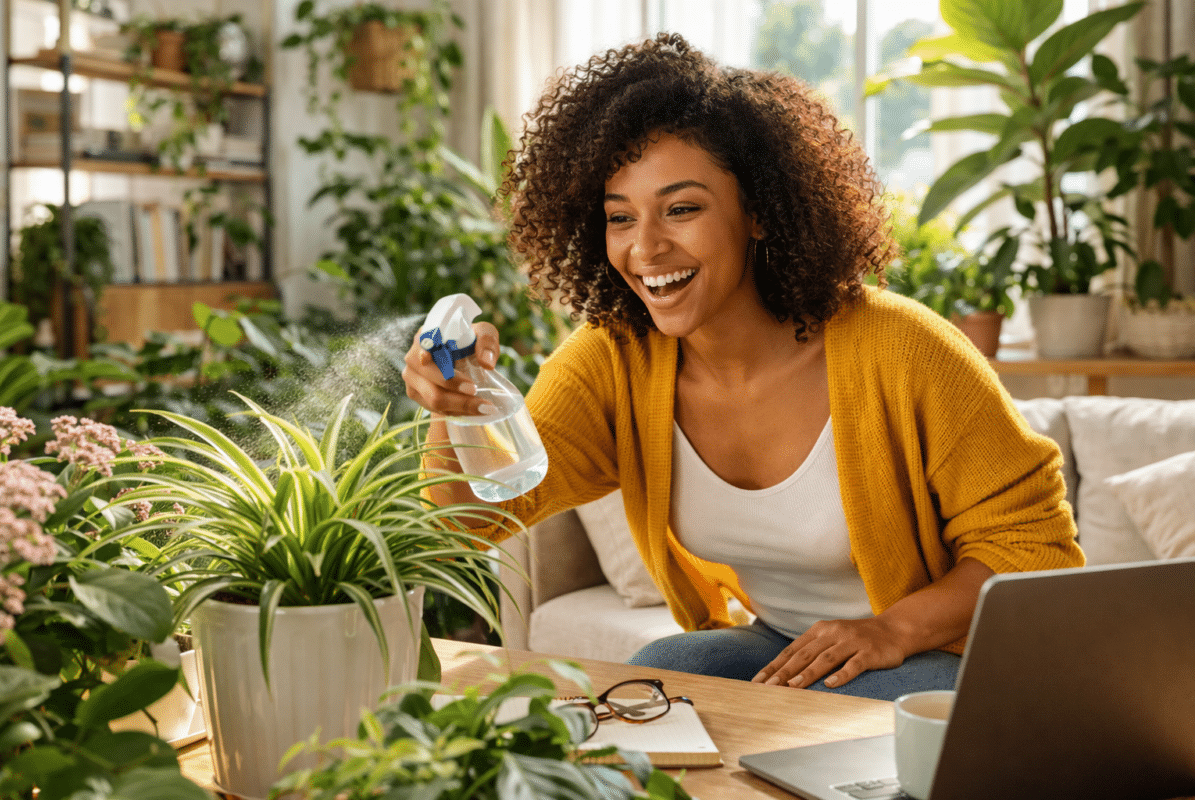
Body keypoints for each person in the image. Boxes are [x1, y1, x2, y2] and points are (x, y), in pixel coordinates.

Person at [401, 33, 1083, 701]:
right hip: (782, 643)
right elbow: (470, 524)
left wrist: (889, 629)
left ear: (757, 211)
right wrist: (452, 409)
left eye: (683, 209)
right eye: (619, 217)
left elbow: (1034, 552)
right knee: (651, 682)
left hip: (948, 656)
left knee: (846, 728)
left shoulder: (904, 351)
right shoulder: (613, 360)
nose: (645, 248)